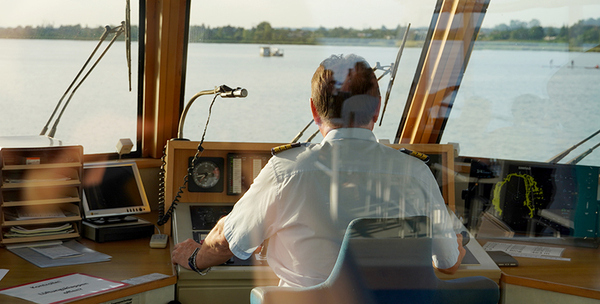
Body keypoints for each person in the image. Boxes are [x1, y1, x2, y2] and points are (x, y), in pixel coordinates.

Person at [172, 54, 465, 287]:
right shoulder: (416, 173)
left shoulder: (286, 170)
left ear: (314, 110)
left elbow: (228, 242)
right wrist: (455, 246)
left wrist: (196, 257)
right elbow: (448, 264)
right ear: (377, 110)